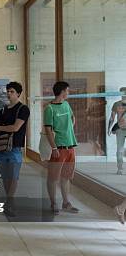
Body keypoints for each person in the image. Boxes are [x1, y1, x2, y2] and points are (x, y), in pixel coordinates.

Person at [0, 82, 30, 215]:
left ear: (18, 93)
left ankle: (9, 203)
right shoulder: (3, 110)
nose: (9, 93)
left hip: (14, 148)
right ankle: (9, 202)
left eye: (12, 91)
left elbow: (15, 127)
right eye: (8, 91)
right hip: (1, 148)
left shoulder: (23, 109)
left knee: (13, 177)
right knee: (5, 177)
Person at [44, 81, 79, 214]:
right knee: (53, 177)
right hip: (58, 148)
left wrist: (68, 128)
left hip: (70, 147)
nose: (68, 93)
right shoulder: (50, 109)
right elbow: (48, 130)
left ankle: (66, 202)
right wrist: (54, 148)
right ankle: (53, 203)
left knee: (66, 177)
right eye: (67, 91)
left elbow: (72, 117)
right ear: (62, 91)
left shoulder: (66, 104)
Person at [108, 87, 126, 175]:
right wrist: (109, 128)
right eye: (122, 93)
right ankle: (120, 168)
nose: (123, 94)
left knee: (120, 150)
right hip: (120, 129)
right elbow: (112, 117)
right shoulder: (116, 104)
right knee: (119, 149)